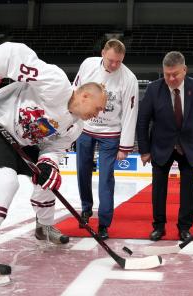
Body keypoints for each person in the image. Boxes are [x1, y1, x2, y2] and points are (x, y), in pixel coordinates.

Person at [0, 42, 107, 284]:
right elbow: (12, 52)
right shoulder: (57, 84)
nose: (98, 114)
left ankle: (43, 227)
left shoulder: (76, 126)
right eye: (98, 108)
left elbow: (53, 147)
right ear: (85, 95)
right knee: (4, 180)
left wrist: (48, 163)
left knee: (48, 180)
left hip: (20, 140)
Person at [137, 51, 193, 241]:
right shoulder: (154, 89)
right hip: (161, 146)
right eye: (167, 74)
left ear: (185, 70)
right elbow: (143, 120)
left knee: (188, 190)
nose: (171, 78)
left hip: (190, 145)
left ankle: (184, 227)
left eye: (175, 74)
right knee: (158, 190)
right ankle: (159, 226)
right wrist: (145, 150)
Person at [72, 39, 138, 240]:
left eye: (118, 61)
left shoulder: (129, 79)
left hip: (111, 133)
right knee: (83, 170)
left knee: (106, 178)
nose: (114, 65)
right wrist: (71, 127)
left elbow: (130, 112)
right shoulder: (88, 65)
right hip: (86, 127)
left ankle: (104, 223)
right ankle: (86, 209)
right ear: (102, 53)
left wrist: (124, 146)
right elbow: (74, 93)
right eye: (111, 60)